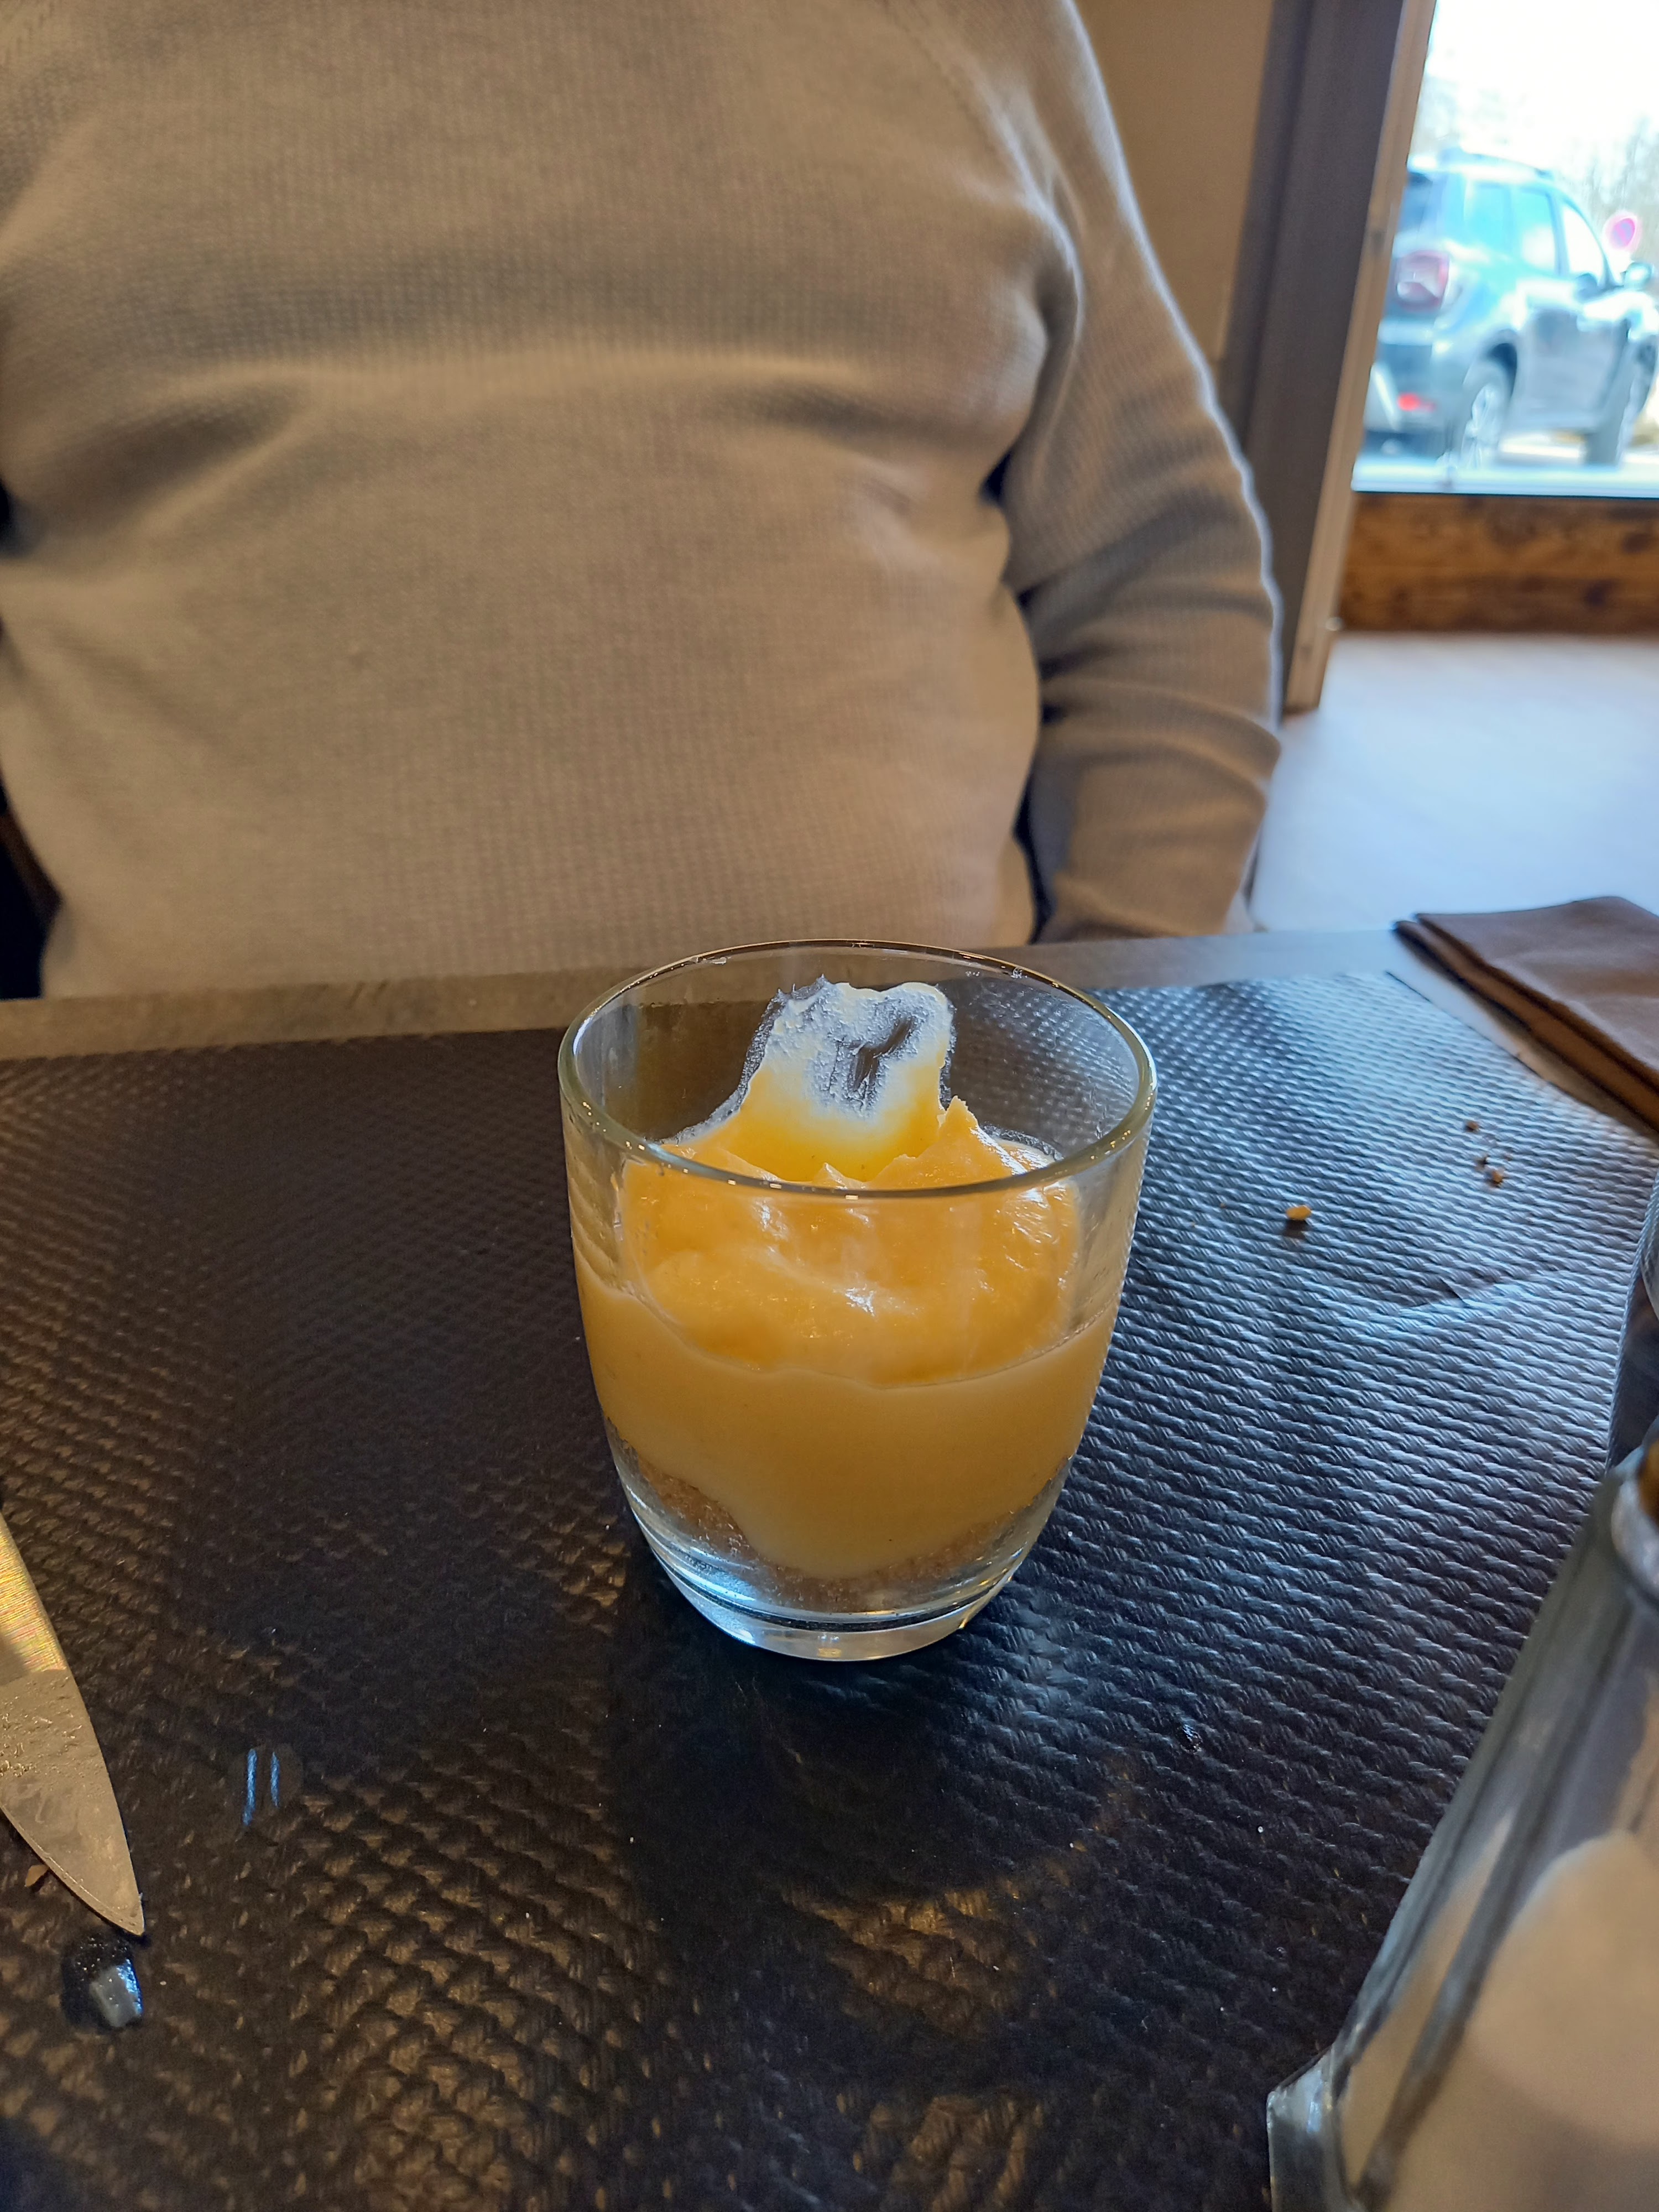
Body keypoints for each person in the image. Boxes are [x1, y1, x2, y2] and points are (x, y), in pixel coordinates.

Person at [0, 0, 1278, 999]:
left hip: (907, 1159)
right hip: (177, 1152)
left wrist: (1120, 1021)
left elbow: (1162, 568)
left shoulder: (975, 23)